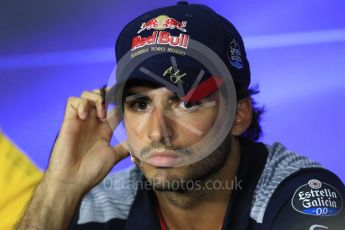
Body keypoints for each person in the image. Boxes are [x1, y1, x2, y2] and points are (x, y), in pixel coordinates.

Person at [17, 2, 344, 229]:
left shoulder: (300, 194)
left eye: (187, 103)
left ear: (239, 115)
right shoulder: (100, 207)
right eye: (140, 104)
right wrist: (61, 187)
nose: (158, 132)